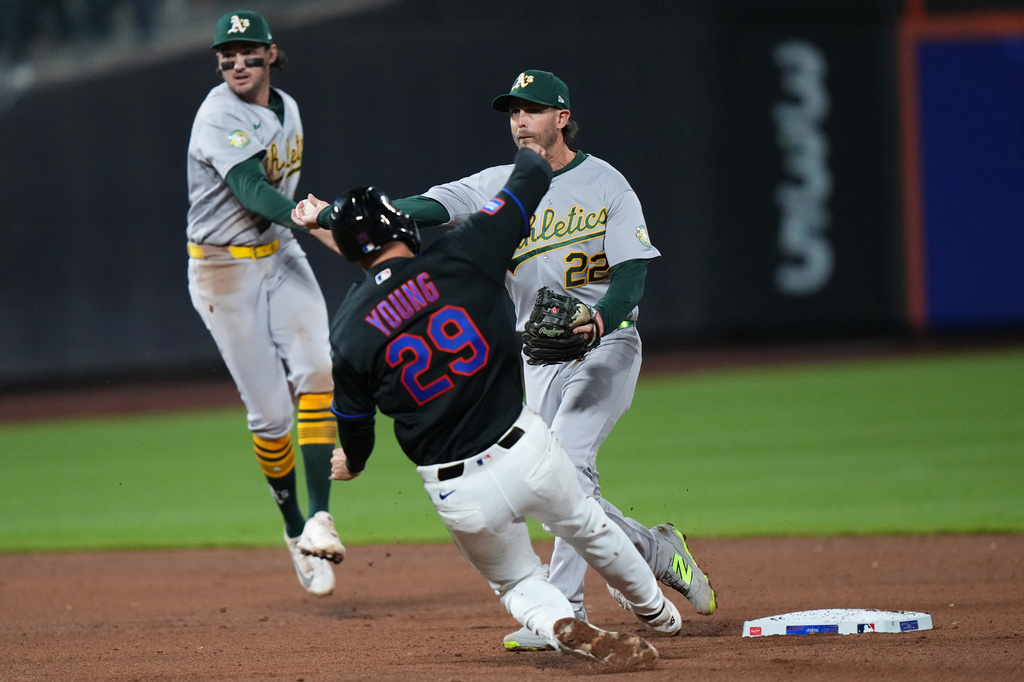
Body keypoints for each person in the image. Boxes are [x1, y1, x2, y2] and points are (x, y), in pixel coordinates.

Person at [293, 144, 681, 668]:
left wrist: (354, 462)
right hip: (525, 449)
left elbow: (354, 423)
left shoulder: (348, 330)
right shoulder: (462, 254)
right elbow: (529, 182)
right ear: (401, 228)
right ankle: (658, 613)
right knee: (587, 526)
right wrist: (533, 158)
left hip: (455, 488)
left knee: (518, 581)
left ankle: (556, 621)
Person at [388, 69, 718, 649]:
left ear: (561, 118)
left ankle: (567, 608)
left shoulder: (606, 184)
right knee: (550, 485)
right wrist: (365, 211)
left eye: (533, 109)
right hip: (533, 358)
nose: (519, 120)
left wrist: (598, 322)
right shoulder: (498, 185)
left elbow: (631, 279)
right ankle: (652, 548)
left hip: (606, 346)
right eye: (513, 111)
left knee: (564, 469)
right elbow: (431, 207)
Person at [185, 10, 344, 597]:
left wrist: (312, 226)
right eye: (226, 53)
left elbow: (276, 199)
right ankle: (294, 527)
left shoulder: (288, 108)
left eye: (248, 50)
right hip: (223, 270)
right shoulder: (217, 114)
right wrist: (317, 219)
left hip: (277, 252)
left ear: (272, 54)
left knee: (318, 368)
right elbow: (252, 189)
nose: (236, 62)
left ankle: (321, 516)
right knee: (272, 417)